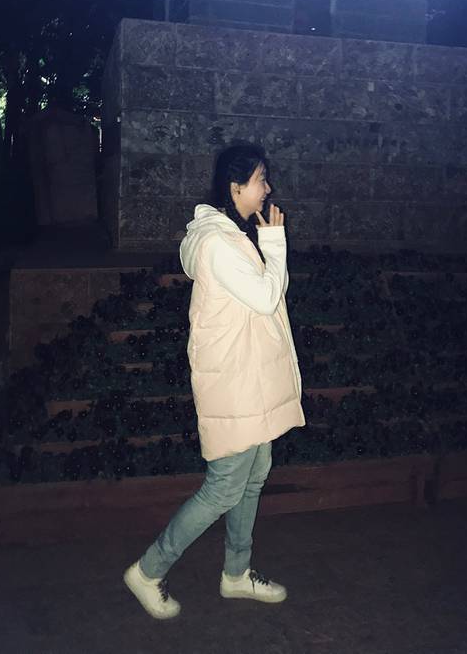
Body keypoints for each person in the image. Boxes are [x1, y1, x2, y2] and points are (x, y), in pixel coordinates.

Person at [124, 143, 305, 619]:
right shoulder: (217, 244)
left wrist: (269, 243)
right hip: (234, 382)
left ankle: (236, 574)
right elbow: (266, 298)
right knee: (224, 487)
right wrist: (276, 242)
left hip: (251, 377)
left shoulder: (232, 235)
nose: (267, 188)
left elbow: (268, 296)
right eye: (261, 179)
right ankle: (148, 571)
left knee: (254, 476)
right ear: (235, 186)